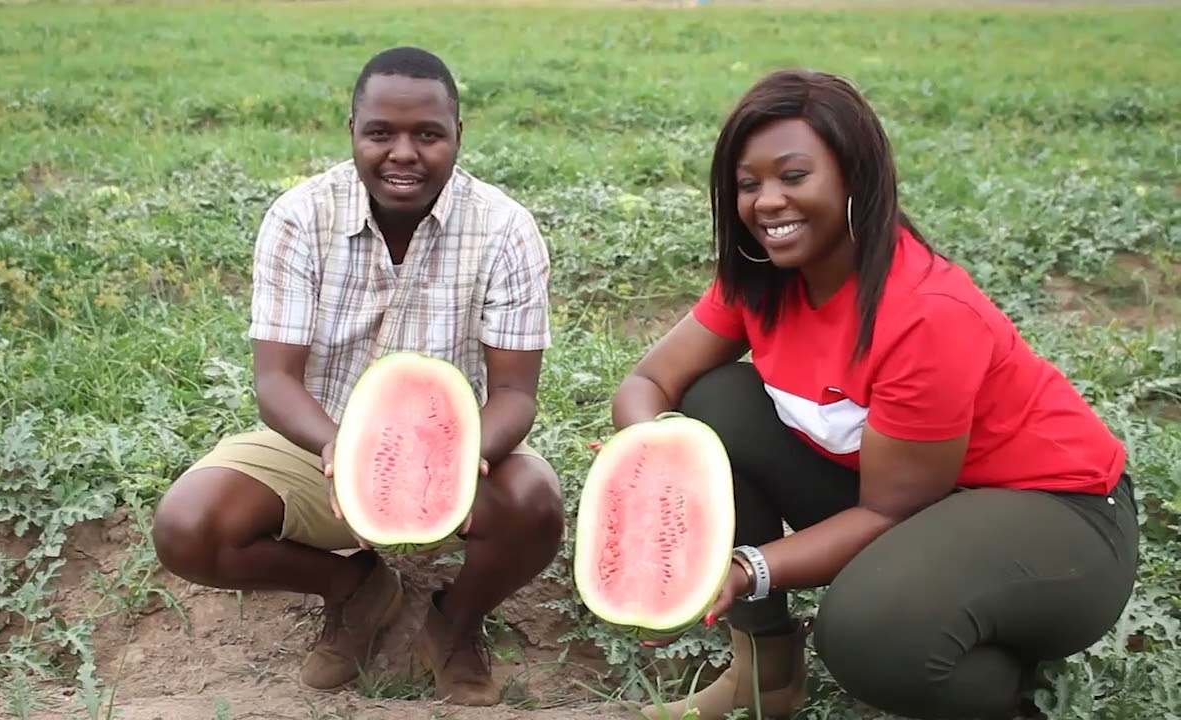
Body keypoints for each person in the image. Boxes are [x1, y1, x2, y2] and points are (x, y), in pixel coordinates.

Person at [611, 68, 1139, 720]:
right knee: (714, 405)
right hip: (920, 497)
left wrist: (747, 567)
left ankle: (996, 681)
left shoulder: (925, 313)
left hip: (1064, 519)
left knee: (867, 634)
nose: (767, 202)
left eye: (794, 176)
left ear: (855, 177)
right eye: (749, 184)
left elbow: (889, 511)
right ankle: (765, 678)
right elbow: (649, 382)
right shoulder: (760, 279)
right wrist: (651, 465)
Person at [150, 46, 565, 708]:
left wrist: (467, 457)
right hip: (317, 441)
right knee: (189, 526)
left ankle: (454, 625)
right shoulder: (300, 216)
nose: (404, 152)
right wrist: (339, 449)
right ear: (353, 132)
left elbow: (515, 393)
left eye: (428, 134)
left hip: (446, 453)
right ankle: (355, 589)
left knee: (536, 504)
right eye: (381, 133)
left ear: (458, 135)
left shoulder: (505, 229)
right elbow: (276, 381)